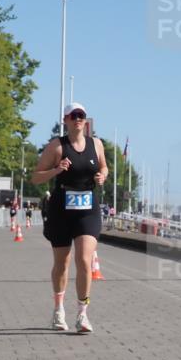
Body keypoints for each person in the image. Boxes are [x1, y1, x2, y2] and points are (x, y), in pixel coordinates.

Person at [31, 102, 108, 334]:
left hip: (87, 209)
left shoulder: (97, 144)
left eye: (81, 115)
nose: (78, 119)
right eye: (73, 116)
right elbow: (35, 178)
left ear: (86, 120)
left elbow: (104, 167)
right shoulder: (57, 146)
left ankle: (83, 314)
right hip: (61, 210)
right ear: (65, 120)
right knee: (62, 263)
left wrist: (102, 176)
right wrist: (56, 170)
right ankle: (58, 310)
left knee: (84, 260)